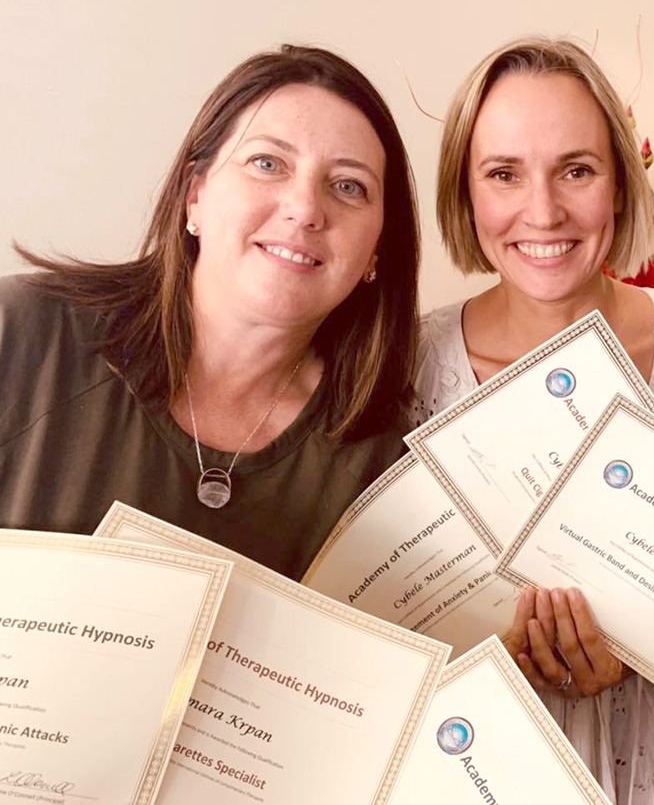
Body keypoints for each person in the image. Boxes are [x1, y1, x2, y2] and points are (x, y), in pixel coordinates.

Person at [411, 37, 654, 805]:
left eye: (576, 169)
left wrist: (651, 653)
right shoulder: (409, 369)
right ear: (465, 194)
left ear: (619, 185)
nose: (544, 211)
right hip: (467, 769)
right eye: (503, 174)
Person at [1, 45, 421, 581]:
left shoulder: (386, 470)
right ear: (194, 194)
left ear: (377, 251)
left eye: (348, 186)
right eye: (267, 163)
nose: (305, 209)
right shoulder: (21, 334)